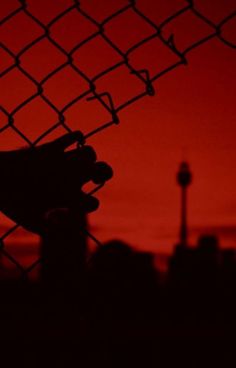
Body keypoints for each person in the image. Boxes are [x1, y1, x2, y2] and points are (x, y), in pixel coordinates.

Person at [0, 131, 113, 234]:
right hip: (15, 190)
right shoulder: (72, 194)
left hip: (14, 178)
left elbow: (55, 147)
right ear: (97, 181)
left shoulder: (71, 193)